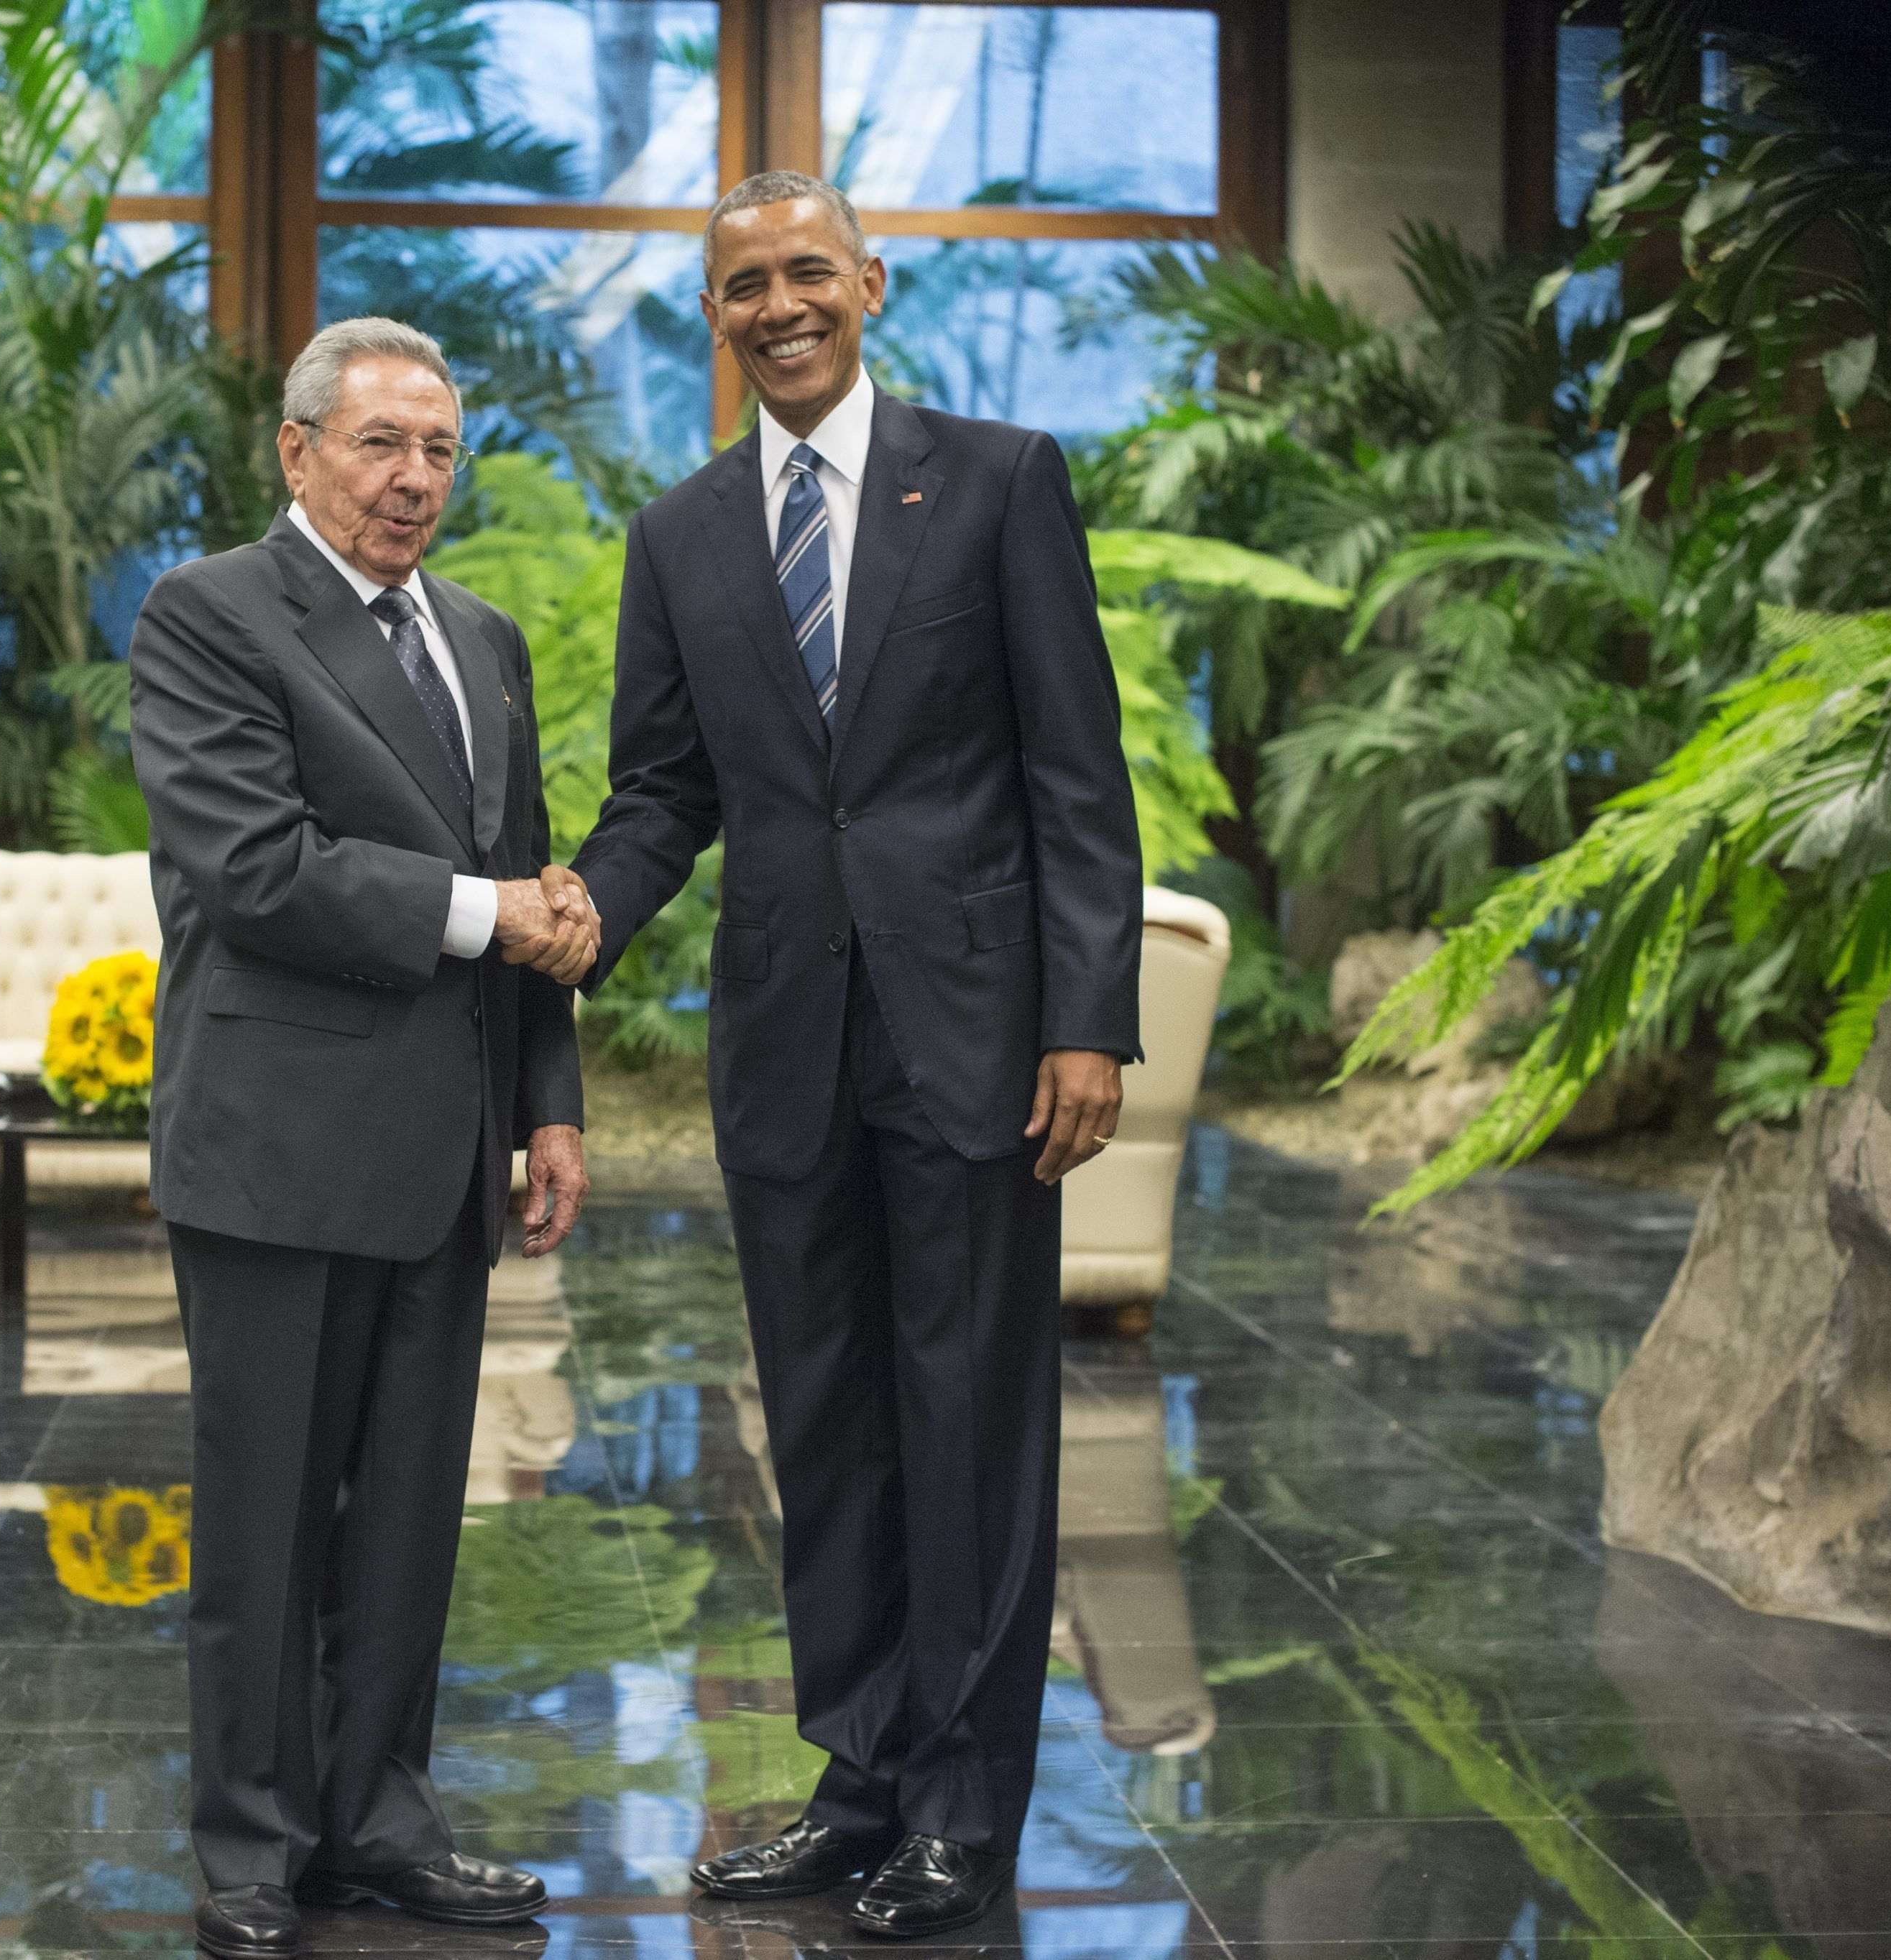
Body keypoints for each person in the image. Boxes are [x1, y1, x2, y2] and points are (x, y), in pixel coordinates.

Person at [566, 172, 1143, 1940]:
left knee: (968, 1418)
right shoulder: (676, 540)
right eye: (743, 284)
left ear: (867, 283)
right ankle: (859, 1776)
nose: (779, 304)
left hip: (973, 1036)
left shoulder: (997, 482)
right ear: (715, 317)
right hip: (785, 1041)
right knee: (822, 1423)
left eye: (805, 269)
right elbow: (666, 791)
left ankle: (965, 1804)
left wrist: (1083, 1015)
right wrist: (578, 913)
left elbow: (1072, 772)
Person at [127, 316, 602, 1960]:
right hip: (273, 1142)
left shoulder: (481, 636)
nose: (412, 481)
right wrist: (493, 916)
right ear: (297, 449)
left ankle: (380, 1819)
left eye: (437, 452)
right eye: (380, 445)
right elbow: (258, 870)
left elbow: (533, 873)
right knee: (264, 1519)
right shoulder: (207, 615)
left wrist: (547, 1102)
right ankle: (249, 1847)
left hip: (447, 1147)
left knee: (407, 1509)